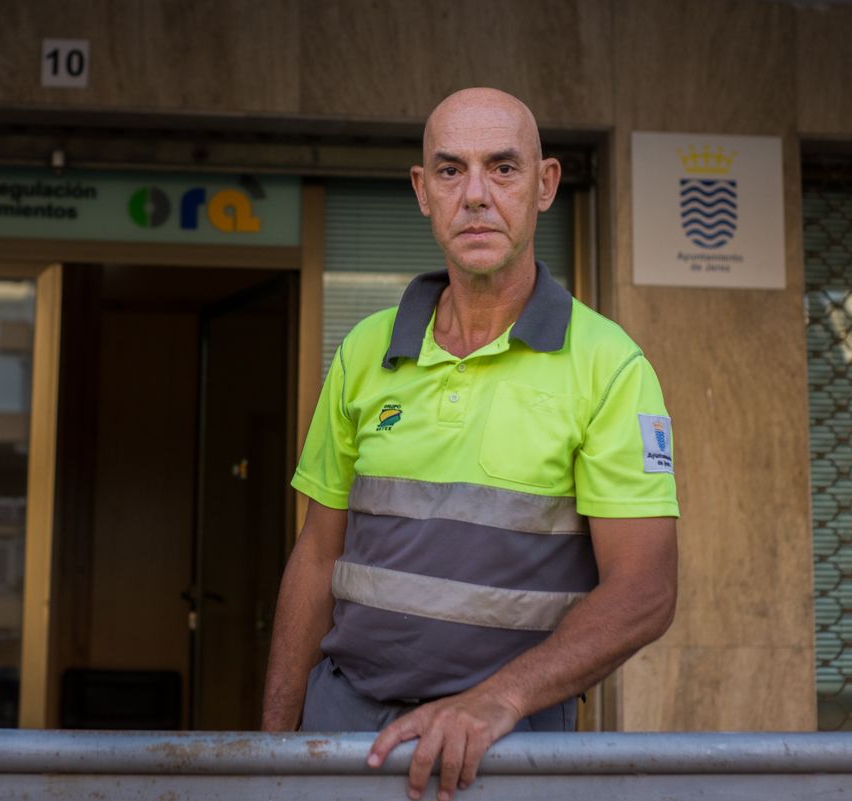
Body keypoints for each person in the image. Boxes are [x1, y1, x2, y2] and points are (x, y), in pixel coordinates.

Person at [261, 87, 679, 801]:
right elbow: (316, 555)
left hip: (503, 751)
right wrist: (271, 752)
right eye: (451, 171)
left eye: (503, 168)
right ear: (423, 191)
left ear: (546, 184)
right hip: (344, 733)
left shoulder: (609, 366)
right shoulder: (365, 351)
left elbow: (646, 589)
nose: (476, 195)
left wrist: (496, 701)